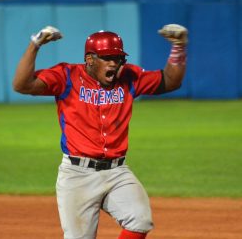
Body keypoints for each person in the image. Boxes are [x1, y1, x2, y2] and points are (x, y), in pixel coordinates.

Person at [13, 24, 187, 239]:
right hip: (78, 175)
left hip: (117, 172)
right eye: (107, 58)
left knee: (140, 220)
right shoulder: (67, 76)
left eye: (118, 57)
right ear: (90, 59)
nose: (114, 63)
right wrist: (35, 45)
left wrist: (178, 46)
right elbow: (22, 85)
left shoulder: (129, 76)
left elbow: (171, 81)